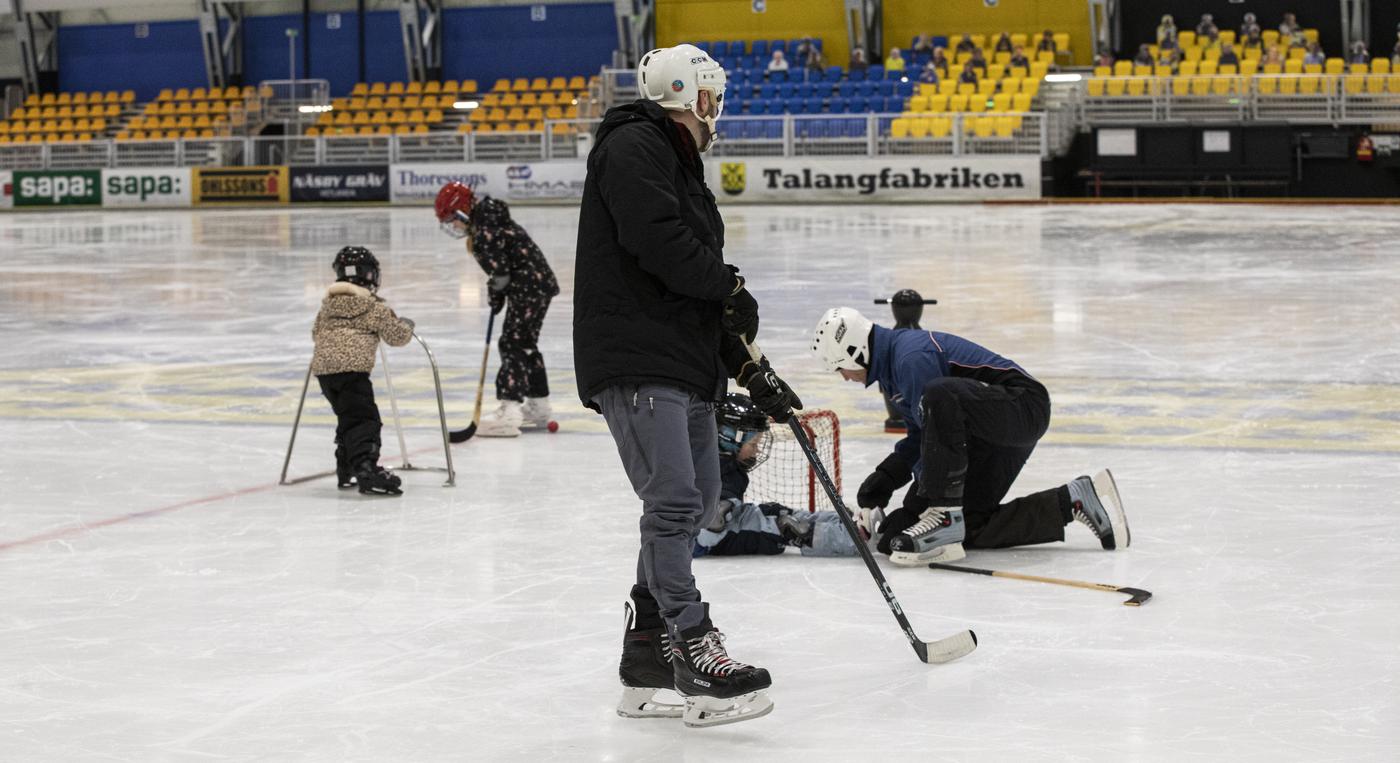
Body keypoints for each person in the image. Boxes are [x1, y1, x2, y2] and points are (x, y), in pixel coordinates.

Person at [576, 43, 801, 727]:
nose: (718, 106)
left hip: (682, 361)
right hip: (639, 360)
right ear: (692, 95)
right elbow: (662, 244)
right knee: (675, 500)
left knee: (702, 499)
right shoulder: (635, 146)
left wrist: (751, 368)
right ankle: (692, 645)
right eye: (712, 93)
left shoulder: (680, 166)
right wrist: (725, 284)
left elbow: (703, 291)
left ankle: (647, 656)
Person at [811, 307, 1130, 566]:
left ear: (855, 351)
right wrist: (887, 477)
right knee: (908, 533)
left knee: (938, 396)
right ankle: (1073, 499)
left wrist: (927, 500)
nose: (844, 378)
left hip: (1021, 406)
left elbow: (939, 419)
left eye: (840, 368)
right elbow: (924, 435)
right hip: (987, 430)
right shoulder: (893, 375)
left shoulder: (910, 356)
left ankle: (944, 515)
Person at [435, 181, 560, 437]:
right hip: (537, 284)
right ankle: (538, 405)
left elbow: (500, 273)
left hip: (528, 287)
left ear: (461, 211)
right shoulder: (490, 218)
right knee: (525, 342)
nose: (454, 226)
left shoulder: (483, 231)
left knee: (512, 343)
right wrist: (498, 293)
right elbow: (503, 268)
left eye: (453, 220)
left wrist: (495, 295)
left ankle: (509, 410)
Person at [692, 394, 870, 559]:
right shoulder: (717, 471)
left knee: (778, 512)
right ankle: (855, 539)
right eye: (753, 444)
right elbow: (709, 528)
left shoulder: (720, 463)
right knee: (787, 527)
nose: (757, 450)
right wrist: (721, 518)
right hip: (716, 539)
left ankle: (842, 521)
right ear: (729, 438)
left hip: (731, 522)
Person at [311, 247, 415, 496]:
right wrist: (406, 325)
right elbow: (397, 337)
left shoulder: (327, 308)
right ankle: (366, 468)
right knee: (364, 419)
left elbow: (315, 333)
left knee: (348, 417)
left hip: (325, 372)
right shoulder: (374, 307)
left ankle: (346, 467)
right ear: (370, 276)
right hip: (353, 371)